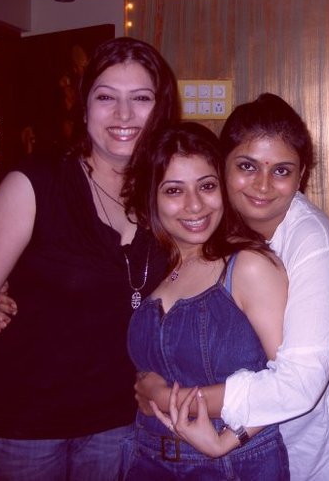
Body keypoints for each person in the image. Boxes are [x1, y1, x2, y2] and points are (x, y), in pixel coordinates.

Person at [0, 36, 179, 481]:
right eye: (106, 97)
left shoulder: (168, 194)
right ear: (84, 107)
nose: (123, 114)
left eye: (141, 98)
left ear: (161, 108)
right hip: (25, 426)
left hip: (118, 422)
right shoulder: (35, 183)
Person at [136, 93, 329, 480]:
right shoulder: (210, 227)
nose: (262, 185)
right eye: (247, 166)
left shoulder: (313, 242)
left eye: (281, 171)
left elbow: (300, 383)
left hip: (308, 439)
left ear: (301, 175)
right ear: (223, 165)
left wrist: (170, 400)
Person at [121, 123, 289, 479]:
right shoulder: (159, 267)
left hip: (230, 462)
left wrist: (230, 437)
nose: (195, 205)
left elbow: (289, 382)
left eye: (207, 186)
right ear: (151, 198)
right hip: (147, 456)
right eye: (174, 190)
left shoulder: (248, 266)